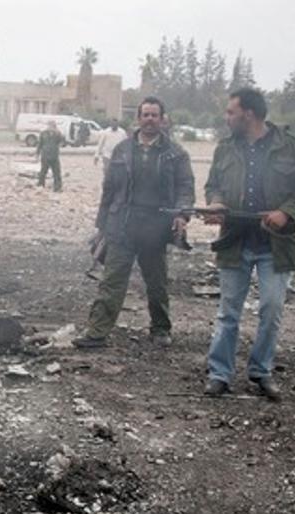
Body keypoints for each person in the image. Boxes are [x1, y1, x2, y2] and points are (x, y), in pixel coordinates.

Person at [201, 88, 295, 401]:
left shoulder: (293, 148)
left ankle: (260, 371)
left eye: (231, 112)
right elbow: (214, 185)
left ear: (249, 113)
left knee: (271, 309)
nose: (226, 117)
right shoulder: (225, 149)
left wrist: (286, 213)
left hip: (276, 245)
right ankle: (219, 373)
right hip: (235, 241)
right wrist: (215, 204)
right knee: (228, 312)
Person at [73, 97, 195, 349]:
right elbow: (109, 190)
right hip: (122, 226)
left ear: (163, 119)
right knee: (112, 282)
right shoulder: (122, 150)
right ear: (138, 118)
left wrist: (182, 215)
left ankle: (161, 329)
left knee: (157, 283)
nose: (150, 119)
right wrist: (102, 226)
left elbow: (185, 188)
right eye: (146, 115)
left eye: (155, 115)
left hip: (156, 229)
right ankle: (97, 333)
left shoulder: (176, 153)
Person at [36, 120, 64, 191]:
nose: (51, 127)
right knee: (43, 171)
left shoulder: (57, 134)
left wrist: (58, 133)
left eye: (53, 126)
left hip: (54, 155)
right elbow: (40, 144)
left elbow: (62, 141)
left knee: (56, 172)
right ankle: (40, 184)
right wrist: (37, 154)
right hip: (45, 155)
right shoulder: (43, 133)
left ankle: (57, 187)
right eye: (50, 125)